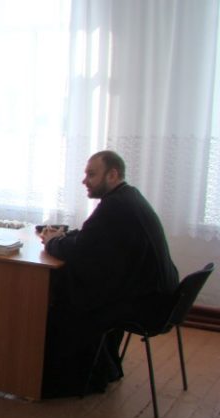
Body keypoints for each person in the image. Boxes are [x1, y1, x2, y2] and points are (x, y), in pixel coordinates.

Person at [39, 150, 179, 398]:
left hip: (146, 305)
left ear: (112, 175)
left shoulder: (115, 206)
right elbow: (91, 237)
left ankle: (69, 380)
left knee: (62, 295)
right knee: (74, 286)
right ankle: (105, 367)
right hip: (158, 296)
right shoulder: (127, 197)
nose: (84, 180)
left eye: (91, 174)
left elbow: (81, 250)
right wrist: (63, 237)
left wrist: (52, 242)